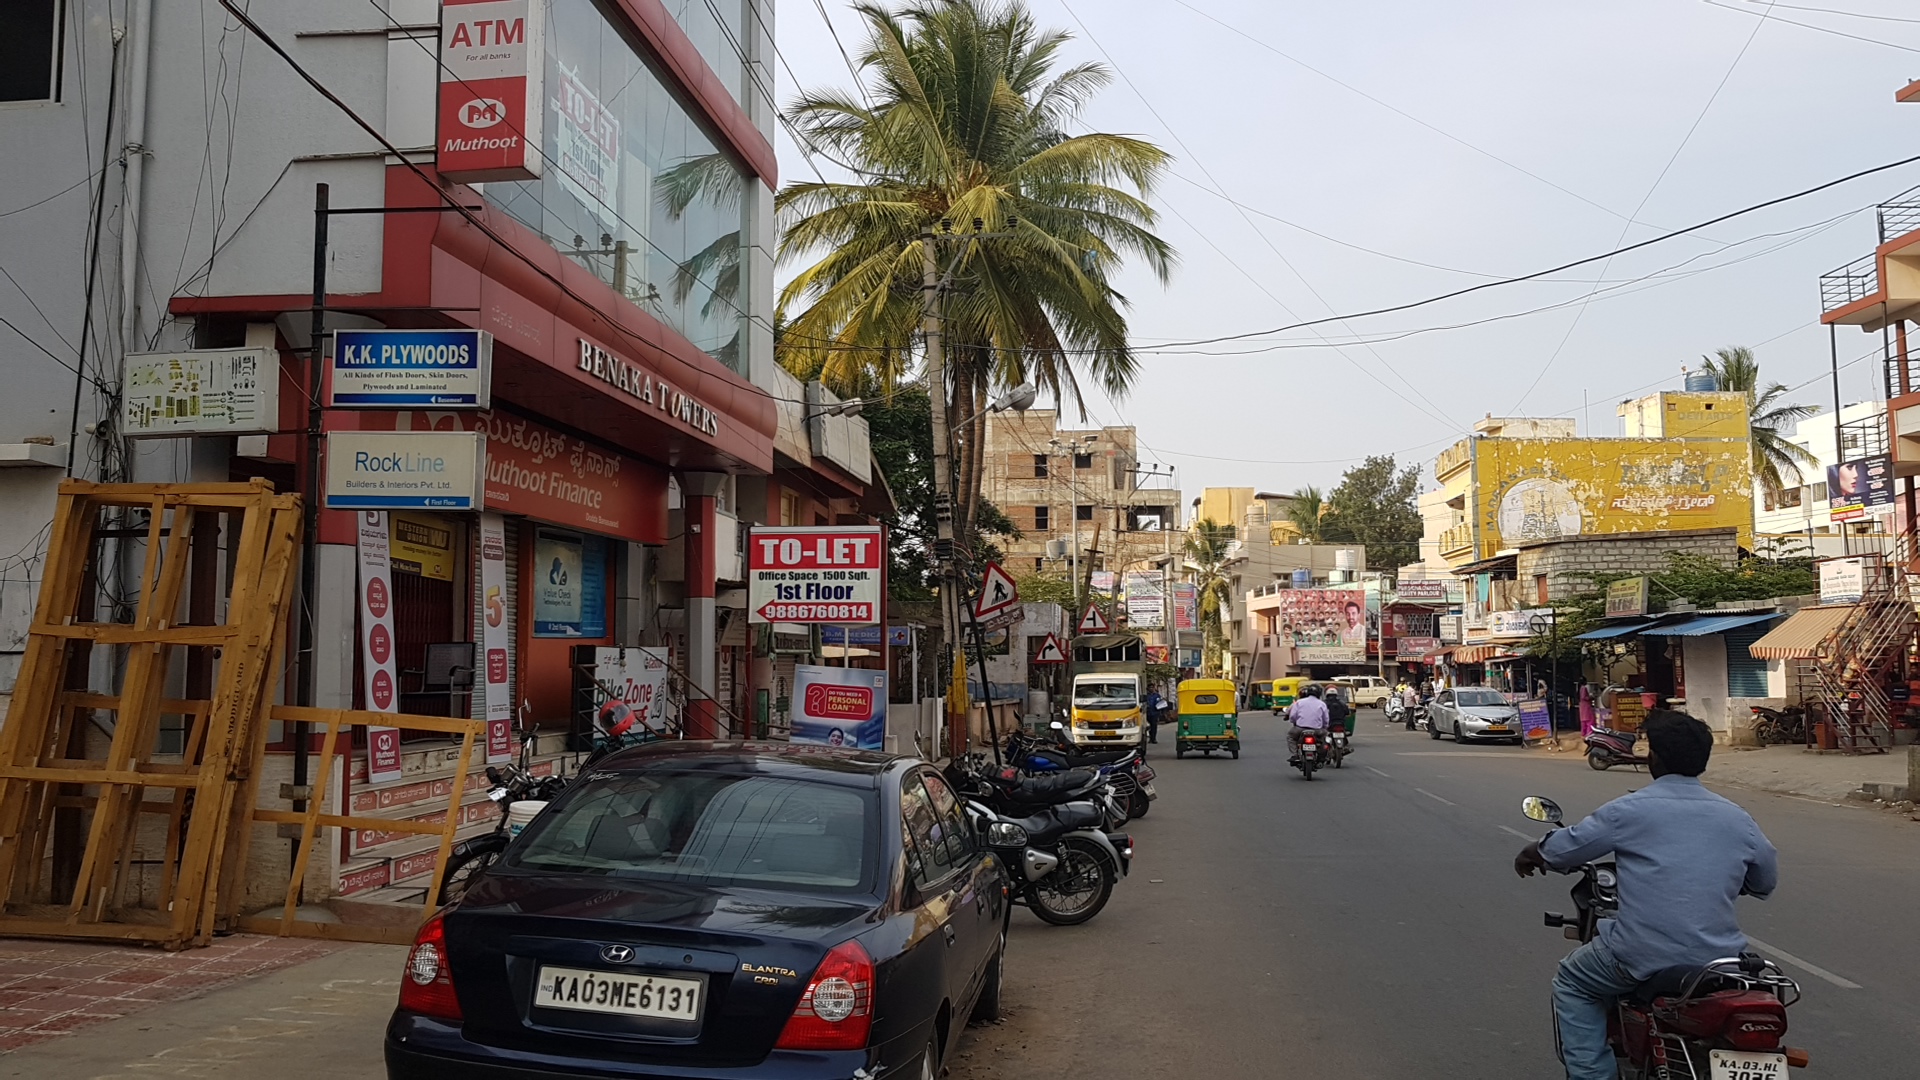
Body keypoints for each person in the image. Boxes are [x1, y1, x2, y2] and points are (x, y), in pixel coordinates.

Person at [1512, 710, 1778, 1080]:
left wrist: (1534, 851)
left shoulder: (1631, 809)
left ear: (1655, 758)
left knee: (1573, 981)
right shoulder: (1737, 817)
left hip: (1641, 954)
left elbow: (1567, 848)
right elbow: (1764, 881)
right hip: (1721, 962)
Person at [1287, 683, 1330, 761]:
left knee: (1291, 737)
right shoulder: (1322, 704)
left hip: (1300, 729)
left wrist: (1294, 722)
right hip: (1317, 730)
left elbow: (1292, 716)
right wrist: (1324, 727)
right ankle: (1322, 756)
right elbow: (1326, 719)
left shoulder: (1299, 702)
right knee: (1326, 739)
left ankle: (1295, 755)